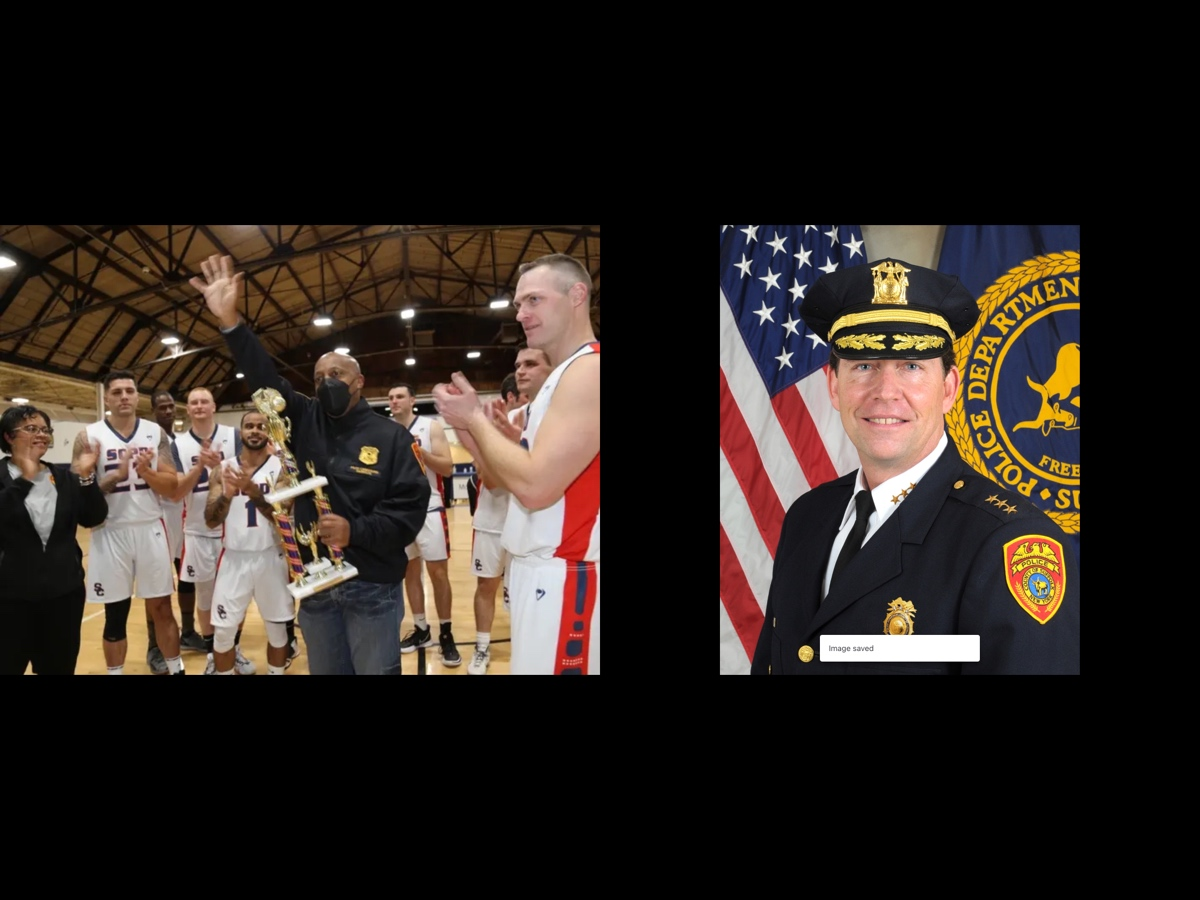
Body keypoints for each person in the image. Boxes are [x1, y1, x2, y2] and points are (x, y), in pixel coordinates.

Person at [749, 258, 1080, 674]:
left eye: (911, 367)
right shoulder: (807, 518)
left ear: (948, 388)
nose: (886, 393)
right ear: (834, 385)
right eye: (864, 365)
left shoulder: (1009, 544)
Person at [192, 255, 429, 675]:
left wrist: (356, 530)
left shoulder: (392, 437)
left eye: (337, 373)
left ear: (359, 381)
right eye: (319, 377)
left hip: (372, 586)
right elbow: (265, 382)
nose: (326, 382)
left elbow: (409, 512)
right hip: (316, 587)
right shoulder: (303, 419)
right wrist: (231, 323)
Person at [433, 253, 600, 675]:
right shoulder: (563, 377)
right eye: (518, 304)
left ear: (577, 295)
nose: (521, 314)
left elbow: (536, 488)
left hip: (566, 571)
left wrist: (474, 418)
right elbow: (510, 480)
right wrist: (474, 433)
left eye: (534, 300)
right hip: (537, 570)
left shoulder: (590, 370)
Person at [78, 370, 185, 674]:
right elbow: (80, 493)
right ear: (106, 398)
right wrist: (116, 475)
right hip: (109, 530)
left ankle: (176, 669)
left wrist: (147, 472)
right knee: (115, 613)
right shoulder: (88, 436)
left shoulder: (155, 433)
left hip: (150, 527)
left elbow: (171, 486)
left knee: (162, 607)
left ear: (138, 396)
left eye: (129, 391)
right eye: (117, 392)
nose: (124, 397)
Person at [0, 406, 108, 674]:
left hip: (63, 597)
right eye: (31, 429)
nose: (41, 435)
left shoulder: (63, 478)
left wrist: (86, 477)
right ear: (8, 437)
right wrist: (24, 481)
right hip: (10, 600)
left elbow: (93, 517)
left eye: (45, 430)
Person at [465, 347, 553, 675]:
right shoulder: (505, 421)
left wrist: (515, 463)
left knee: (523, 591)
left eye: (530, 364)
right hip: (492, 519)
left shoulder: (556, 418)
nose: (521, 371)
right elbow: (488, 479)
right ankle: (482, 647)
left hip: (531, 521)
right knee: (487, 586)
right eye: (518, 365)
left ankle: (525, 649)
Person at [204, 411, 294, 674]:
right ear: (241, 431)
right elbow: (210, 520)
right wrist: (228, 495)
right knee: (223, 633)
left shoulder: (283, 468)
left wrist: (254, 491)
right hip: (234, 558)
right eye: (249, 426)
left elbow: (281, 518)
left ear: (269, 432)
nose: (255, 430)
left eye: (261, 427)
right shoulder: (223, 469)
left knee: (277, 632)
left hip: (270, 557)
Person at [172, 386, 255, 675]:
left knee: (237, 597)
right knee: (206, 599)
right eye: (193, 402)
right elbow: (176, 490)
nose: (199, 406)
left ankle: (233, 650)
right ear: (188, 408)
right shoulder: (178, 444)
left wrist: (221, 467)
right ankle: (212, 655)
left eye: (204, 401)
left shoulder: (234, 436)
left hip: (232, 528)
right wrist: (200, 468)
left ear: (213, 406)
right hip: (197, 531)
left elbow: (250, 472)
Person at [387, 383, 461, 667]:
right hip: (400, 512)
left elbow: (447, 468)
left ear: (412, 400)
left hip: (429, 507)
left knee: (438, 574)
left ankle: (446, 633)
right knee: (410, 571)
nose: (394, 401)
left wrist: (420, 453)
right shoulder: (386, 431)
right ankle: (421, 629)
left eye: (400, 396)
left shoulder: (431, 427)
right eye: (391, 397)